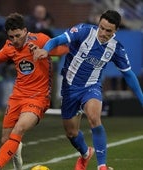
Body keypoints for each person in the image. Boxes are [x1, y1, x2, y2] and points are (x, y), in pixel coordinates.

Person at [33, 10, 143, 170]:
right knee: (71, 133)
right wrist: (45, 49)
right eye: (102, 28)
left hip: (91, 87)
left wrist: (141, 98)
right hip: (69, 88)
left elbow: (129, 75)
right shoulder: (83, 31)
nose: (103, 33)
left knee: (94, 117)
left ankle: (102, 166)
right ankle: (85, 153)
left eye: (108, 31)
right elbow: (58, 40)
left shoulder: (116, 49)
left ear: (116, 31)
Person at [0, 12, 68, 170]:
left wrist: (45, 51)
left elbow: (64, 49)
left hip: (38, 97)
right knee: (5, 140)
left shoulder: (41, 39)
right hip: (17, 96)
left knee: (19, 128)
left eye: (17, 35)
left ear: (25, 30)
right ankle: (16, 151)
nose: (15, 40)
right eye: (11, 37)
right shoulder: (9, 46)